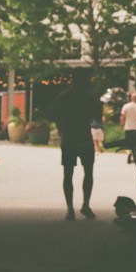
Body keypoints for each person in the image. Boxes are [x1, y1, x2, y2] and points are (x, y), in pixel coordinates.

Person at [53, 68, 101, 221]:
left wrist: (61, 129)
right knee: (88, 172)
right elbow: (96, 116)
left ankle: (70, 208)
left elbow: (55, 114)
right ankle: (85, 204)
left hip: (68, 137)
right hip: (84, 136)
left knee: (68, 173)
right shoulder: (89, 97)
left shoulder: (63, 96)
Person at [119, 91, 136, 164]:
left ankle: (129, 154)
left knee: (128, 144)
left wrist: (121, 125)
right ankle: (135, 157)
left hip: (128, 128)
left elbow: (122, 117)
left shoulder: (126, 106)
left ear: (131, 98)